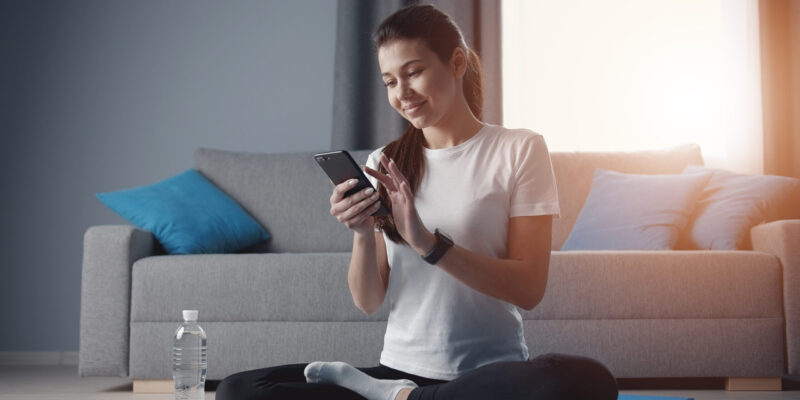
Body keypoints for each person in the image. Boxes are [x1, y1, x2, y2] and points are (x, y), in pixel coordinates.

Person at [215, 4, 618, 400]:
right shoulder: (384, 162)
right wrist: (361, 232)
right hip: (400, 368)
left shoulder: (519, 149)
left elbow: (529, 289)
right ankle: (402, 394)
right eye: (390, 81)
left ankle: (397, 398)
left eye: (413, 73)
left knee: (585, 380)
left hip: (489, 376)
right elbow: (368, 301)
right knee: (237, 391)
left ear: (456, 63)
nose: (402, 93)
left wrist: (428, 244)